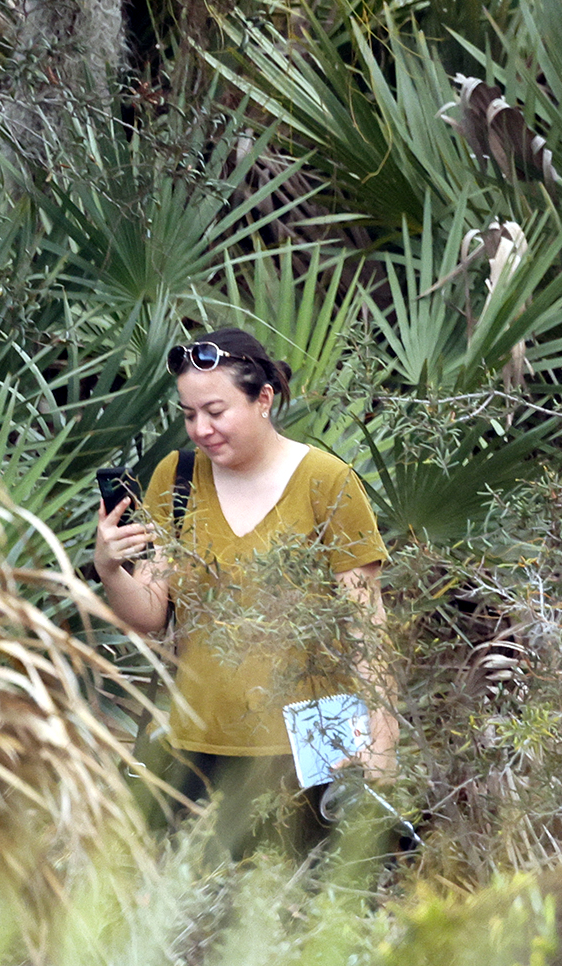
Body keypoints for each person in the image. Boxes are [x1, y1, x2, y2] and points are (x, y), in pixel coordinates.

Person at [92, 327, 394, 847]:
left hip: (312, 749)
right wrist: (110, 568)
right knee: (196, 916)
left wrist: (382, 740)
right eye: (189, 415)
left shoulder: (328, 481)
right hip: (196, 743)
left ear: (264, 399)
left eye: (215, 410)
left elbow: (367, 626)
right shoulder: (178, 475)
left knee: (306, 912)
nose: (201, 429)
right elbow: (148, 612)